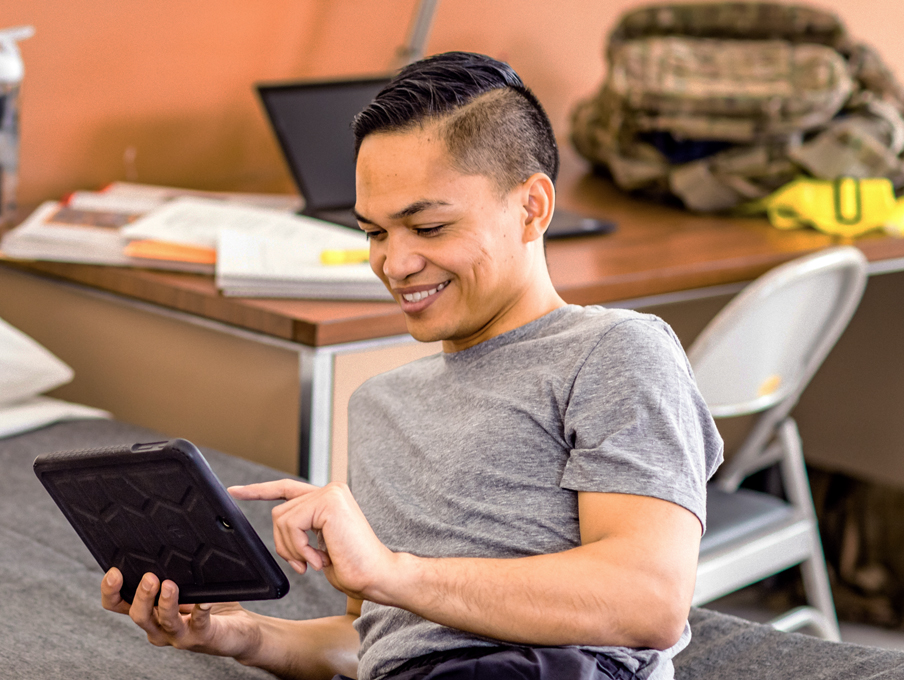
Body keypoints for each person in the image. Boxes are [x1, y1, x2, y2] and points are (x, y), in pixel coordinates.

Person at [100, 51, 723, 680]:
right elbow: (380, 641)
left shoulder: (613, 350)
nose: (394, 265)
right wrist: (241, 635)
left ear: (532, 207)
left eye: (427, 227)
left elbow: (649, 601)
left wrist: (390, 572)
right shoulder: (379, 403)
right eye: (374, 233)